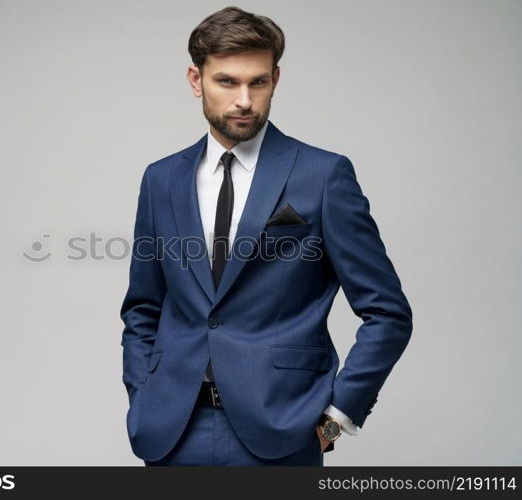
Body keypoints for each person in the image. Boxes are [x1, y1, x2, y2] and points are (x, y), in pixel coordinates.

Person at [119, 6, 412, 466]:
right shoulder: (161, 180)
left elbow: (388, 313)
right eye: (227, 82)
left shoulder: (323, 176)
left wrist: (336, 422)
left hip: (281, 435)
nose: (244, 100)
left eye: (258, 82)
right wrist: (144, 398)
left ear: (275, 79)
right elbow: (143, 307)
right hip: (171, 432)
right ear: (196, 80)